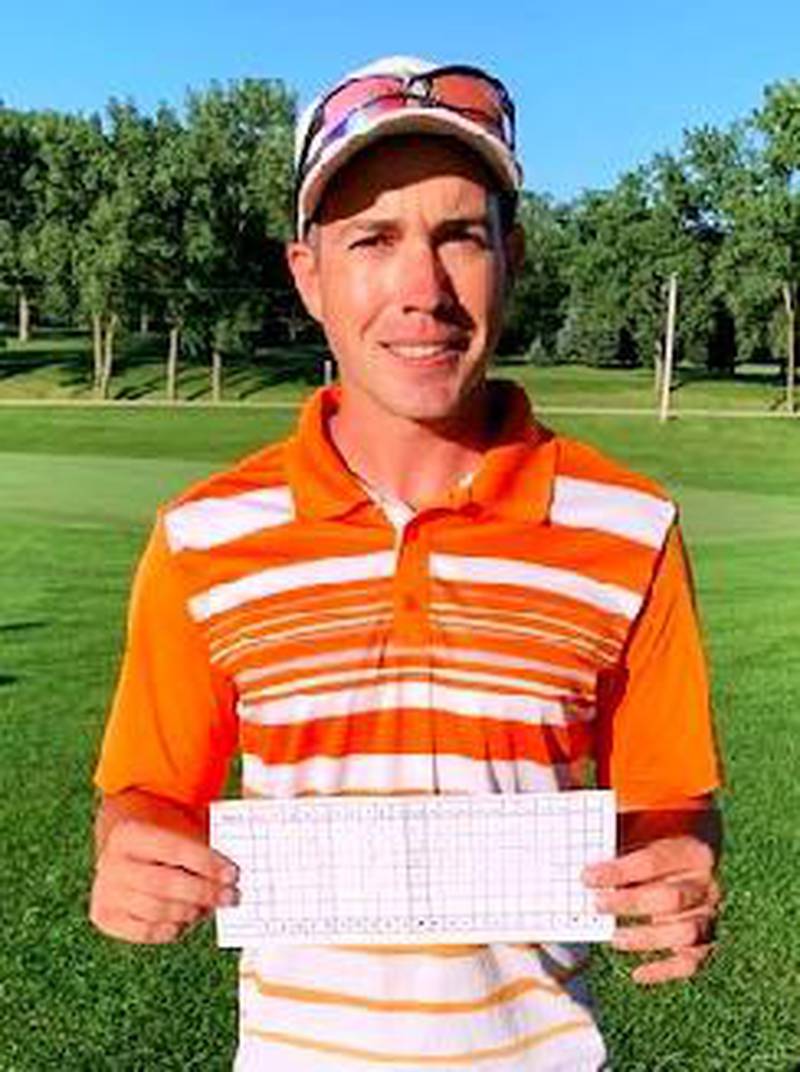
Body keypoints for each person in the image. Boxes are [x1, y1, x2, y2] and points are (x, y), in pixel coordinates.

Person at [90, 55, 722, 1071]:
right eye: (373, 239)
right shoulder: (202, 537)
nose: (422, 291)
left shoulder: (630, 528)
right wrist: (128, 852)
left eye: (459, 236)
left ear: (511, 257)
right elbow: (144, 796)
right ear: (310, 274)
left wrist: (679, 865)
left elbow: (671, 804)